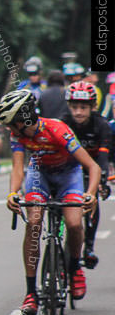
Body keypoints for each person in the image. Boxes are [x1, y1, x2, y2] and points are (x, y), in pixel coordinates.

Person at [1, 90, 100, 315]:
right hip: (40, 174)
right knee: (34, 222)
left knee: (74, 223)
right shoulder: (17, 134)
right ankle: (30, 293)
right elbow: (18, 168)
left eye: (10, 123)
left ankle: (74, 268)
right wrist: (12, 193)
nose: (9, 129)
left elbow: (92, 167)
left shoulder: (58, 130)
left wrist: (91, 194)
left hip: (68, 174)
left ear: (22, 120)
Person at [60, 81, 111, 269]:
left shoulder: (101, 125)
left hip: (93, 167)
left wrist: (102, 181)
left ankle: (88, 247)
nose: (78, 112)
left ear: (92, 107)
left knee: (92, 198)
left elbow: (103, 157)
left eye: (83, 107)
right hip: (68, 168)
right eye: (74, 107)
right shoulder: (63, 122)